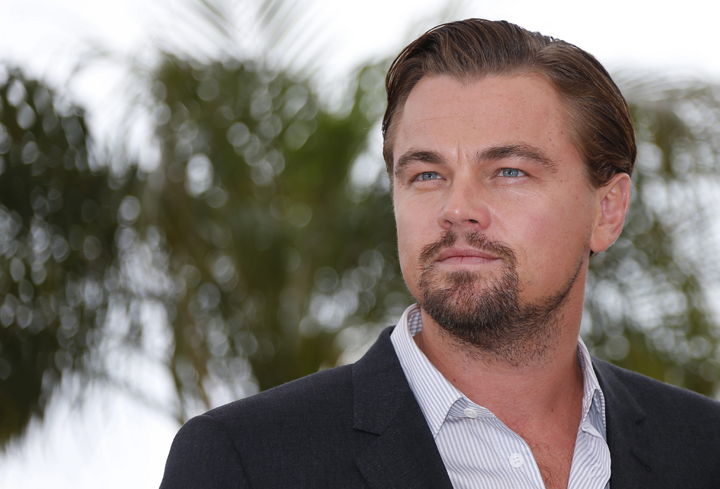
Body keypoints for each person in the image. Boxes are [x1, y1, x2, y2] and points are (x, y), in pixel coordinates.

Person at [159, 19, 720, 489]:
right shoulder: (245, 461)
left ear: (607, 210)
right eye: (427, 174)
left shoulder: (703, 449)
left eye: (509, 171)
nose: (457, 208)